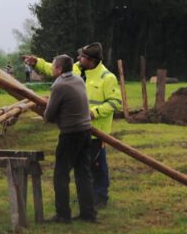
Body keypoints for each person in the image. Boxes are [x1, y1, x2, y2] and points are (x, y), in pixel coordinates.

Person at [25, 41, 121, 208]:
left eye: (82, 56)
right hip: (79, 128)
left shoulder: (107, 78)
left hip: (97, 130)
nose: (78, 58)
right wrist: (37, 63)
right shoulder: (76, 68)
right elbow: (55, 68)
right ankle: (87, 199)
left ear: (91, 60)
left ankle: (100, 196)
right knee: (82, 167)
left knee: (97, 164)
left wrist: (94, 112)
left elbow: (115, 103)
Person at [42, 54, 96, 223]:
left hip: (70, 134)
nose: (51, 68)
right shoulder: (78, 79)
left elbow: (49, 116)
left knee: (61, 175)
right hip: (86, 131)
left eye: (53, 66)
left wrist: (45, 106)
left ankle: (63, 215)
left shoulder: (59, 86)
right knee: (83, 174)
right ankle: (88, 213)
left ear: (59, 69)